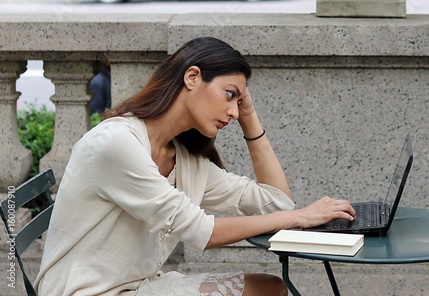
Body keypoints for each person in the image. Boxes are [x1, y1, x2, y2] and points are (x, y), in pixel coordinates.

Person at [35, 36, 355, 296]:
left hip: (140, 287)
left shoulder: (185, 162)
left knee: (271, 288)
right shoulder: (117, 144)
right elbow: (203, 232)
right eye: (230, 96)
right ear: (192, 77)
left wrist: (250, 117)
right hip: (85, 292)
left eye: (239, 103)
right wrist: (300, 217)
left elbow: (276, 201)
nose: (233, 111)